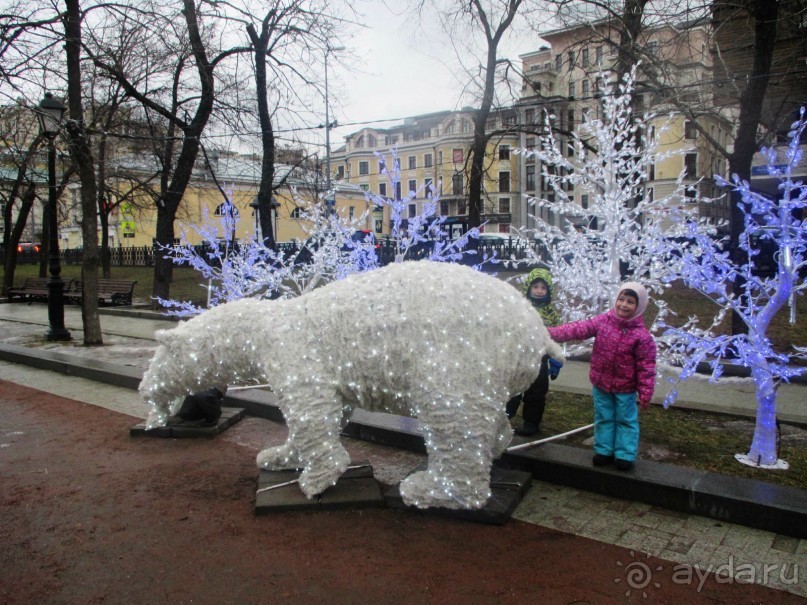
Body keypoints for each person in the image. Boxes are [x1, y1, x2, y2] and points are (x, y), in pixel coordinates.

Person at [547, 283, 656, 471]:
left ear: (639, 307)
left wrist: (645, 391)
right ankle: (604, 450)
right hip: (601, 383)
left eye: (630, 302)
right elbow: (577, 329)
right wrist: (549, 333)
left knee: (626, 420)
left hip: (625, 387)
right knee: (604, 417)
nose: (623, 305)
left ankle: (625, 454)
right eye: (621, 299)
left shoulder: (642, 337)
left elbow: (647, 366)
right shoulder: (603, 322)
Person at [506, 267, 563, 436]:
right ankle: (504, 417)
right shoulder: (519, 307)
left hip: (540, 359)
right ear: (529, 287)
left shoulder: (551, 314)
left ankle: (531, 422)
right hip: (519, 357)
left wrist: (556, 357)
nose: (539, 291)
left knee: (536, 392)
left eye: (543, 287)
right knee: (513, 389)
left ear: (549, 290)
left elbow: (556, 336)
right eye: (535, 286)